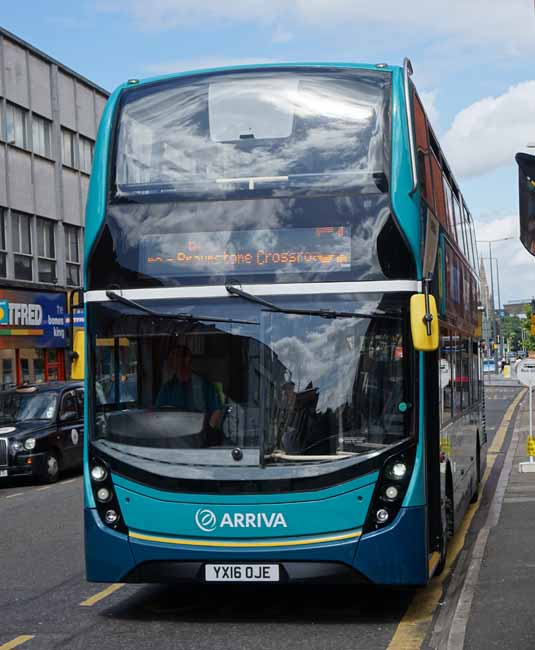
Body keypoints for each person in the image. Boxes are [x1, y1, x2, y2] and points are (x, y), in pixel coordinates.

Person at [156, 344, 223, 432]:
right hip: (173, 434)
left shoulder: (204, 384)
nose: (175, 361)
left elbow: (216, 410)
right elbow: (158, 414)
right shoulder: (167, 388)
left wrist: (208, 432)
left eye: (178, 357)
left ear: (188, 359)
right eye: (173, 358)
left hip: (198, 435)